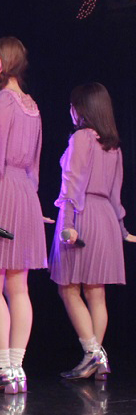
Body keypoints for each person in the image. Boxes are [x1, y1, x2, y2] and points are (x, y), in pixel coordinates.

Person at [0, 37, 47, 395]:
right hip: (26, 194)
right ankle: (16, 368)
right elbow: (35, 166)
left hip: (0, 192)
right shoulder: (33, 106)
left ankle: (1, 366)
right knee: (18, 287)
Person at [49, 82, 135, 380]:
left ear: (82, 109)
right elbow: (115, 194)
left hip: (82, 214)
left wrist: (68, 224)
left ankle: (92, 354)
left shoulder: (82, 138)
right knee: (96, 293)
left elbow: (71, 185)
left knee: (69, 287)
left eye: (74, 105)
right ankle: (98, 359)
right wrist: (121, 229)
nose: (71, 110)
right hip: (106, 218)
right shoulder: (113, 146)